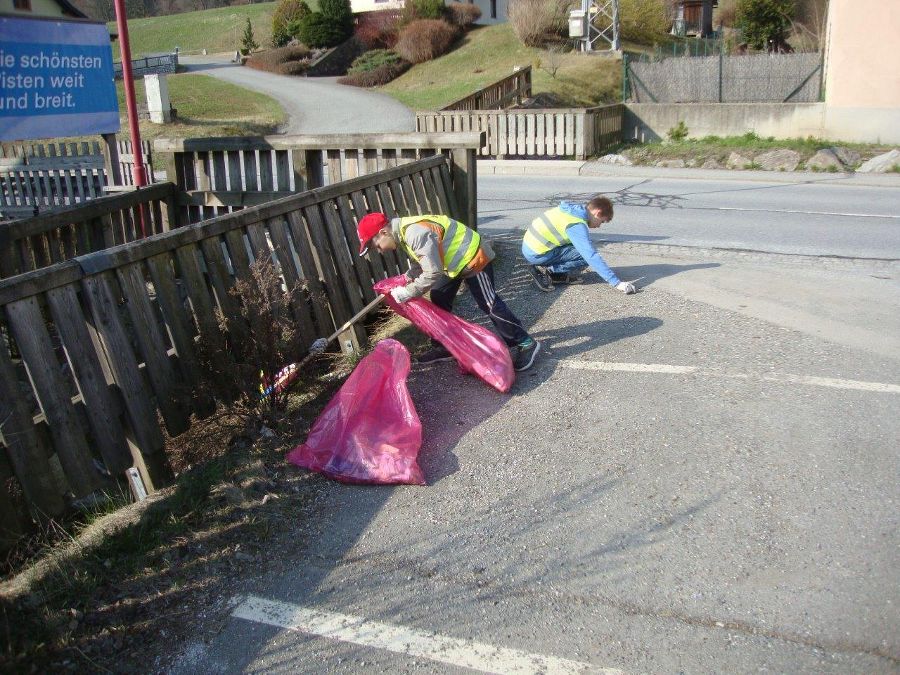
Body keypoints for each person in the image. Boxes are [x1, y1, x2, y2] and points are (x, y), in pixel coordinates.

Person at [357, 211, 541, 372]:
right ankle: (444, 345)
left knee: (489, 304)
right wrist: (408, 277)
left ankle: (524, 342)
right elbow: (421, 258)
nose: (379, 251)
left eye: (376, 247)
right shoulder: (402, 233)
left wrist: (409, 291)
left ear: (383, 232)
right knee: (439, 298)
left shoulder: (414, 232)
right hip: (452, 263)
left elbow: (432, 272)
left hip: (472, 258)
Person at [522, 196, 637, 294]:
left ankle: (556, 274)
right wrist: (617, 283)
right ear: (597, 213)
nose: (599, 226)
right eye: (602, 221)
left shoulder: (571, 210)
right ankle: (548, 270)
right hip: (537, 254)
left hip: (531, 247)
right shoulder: (576, 224)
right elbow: (590, 255)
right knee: (585, 256)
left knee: (583, 248)